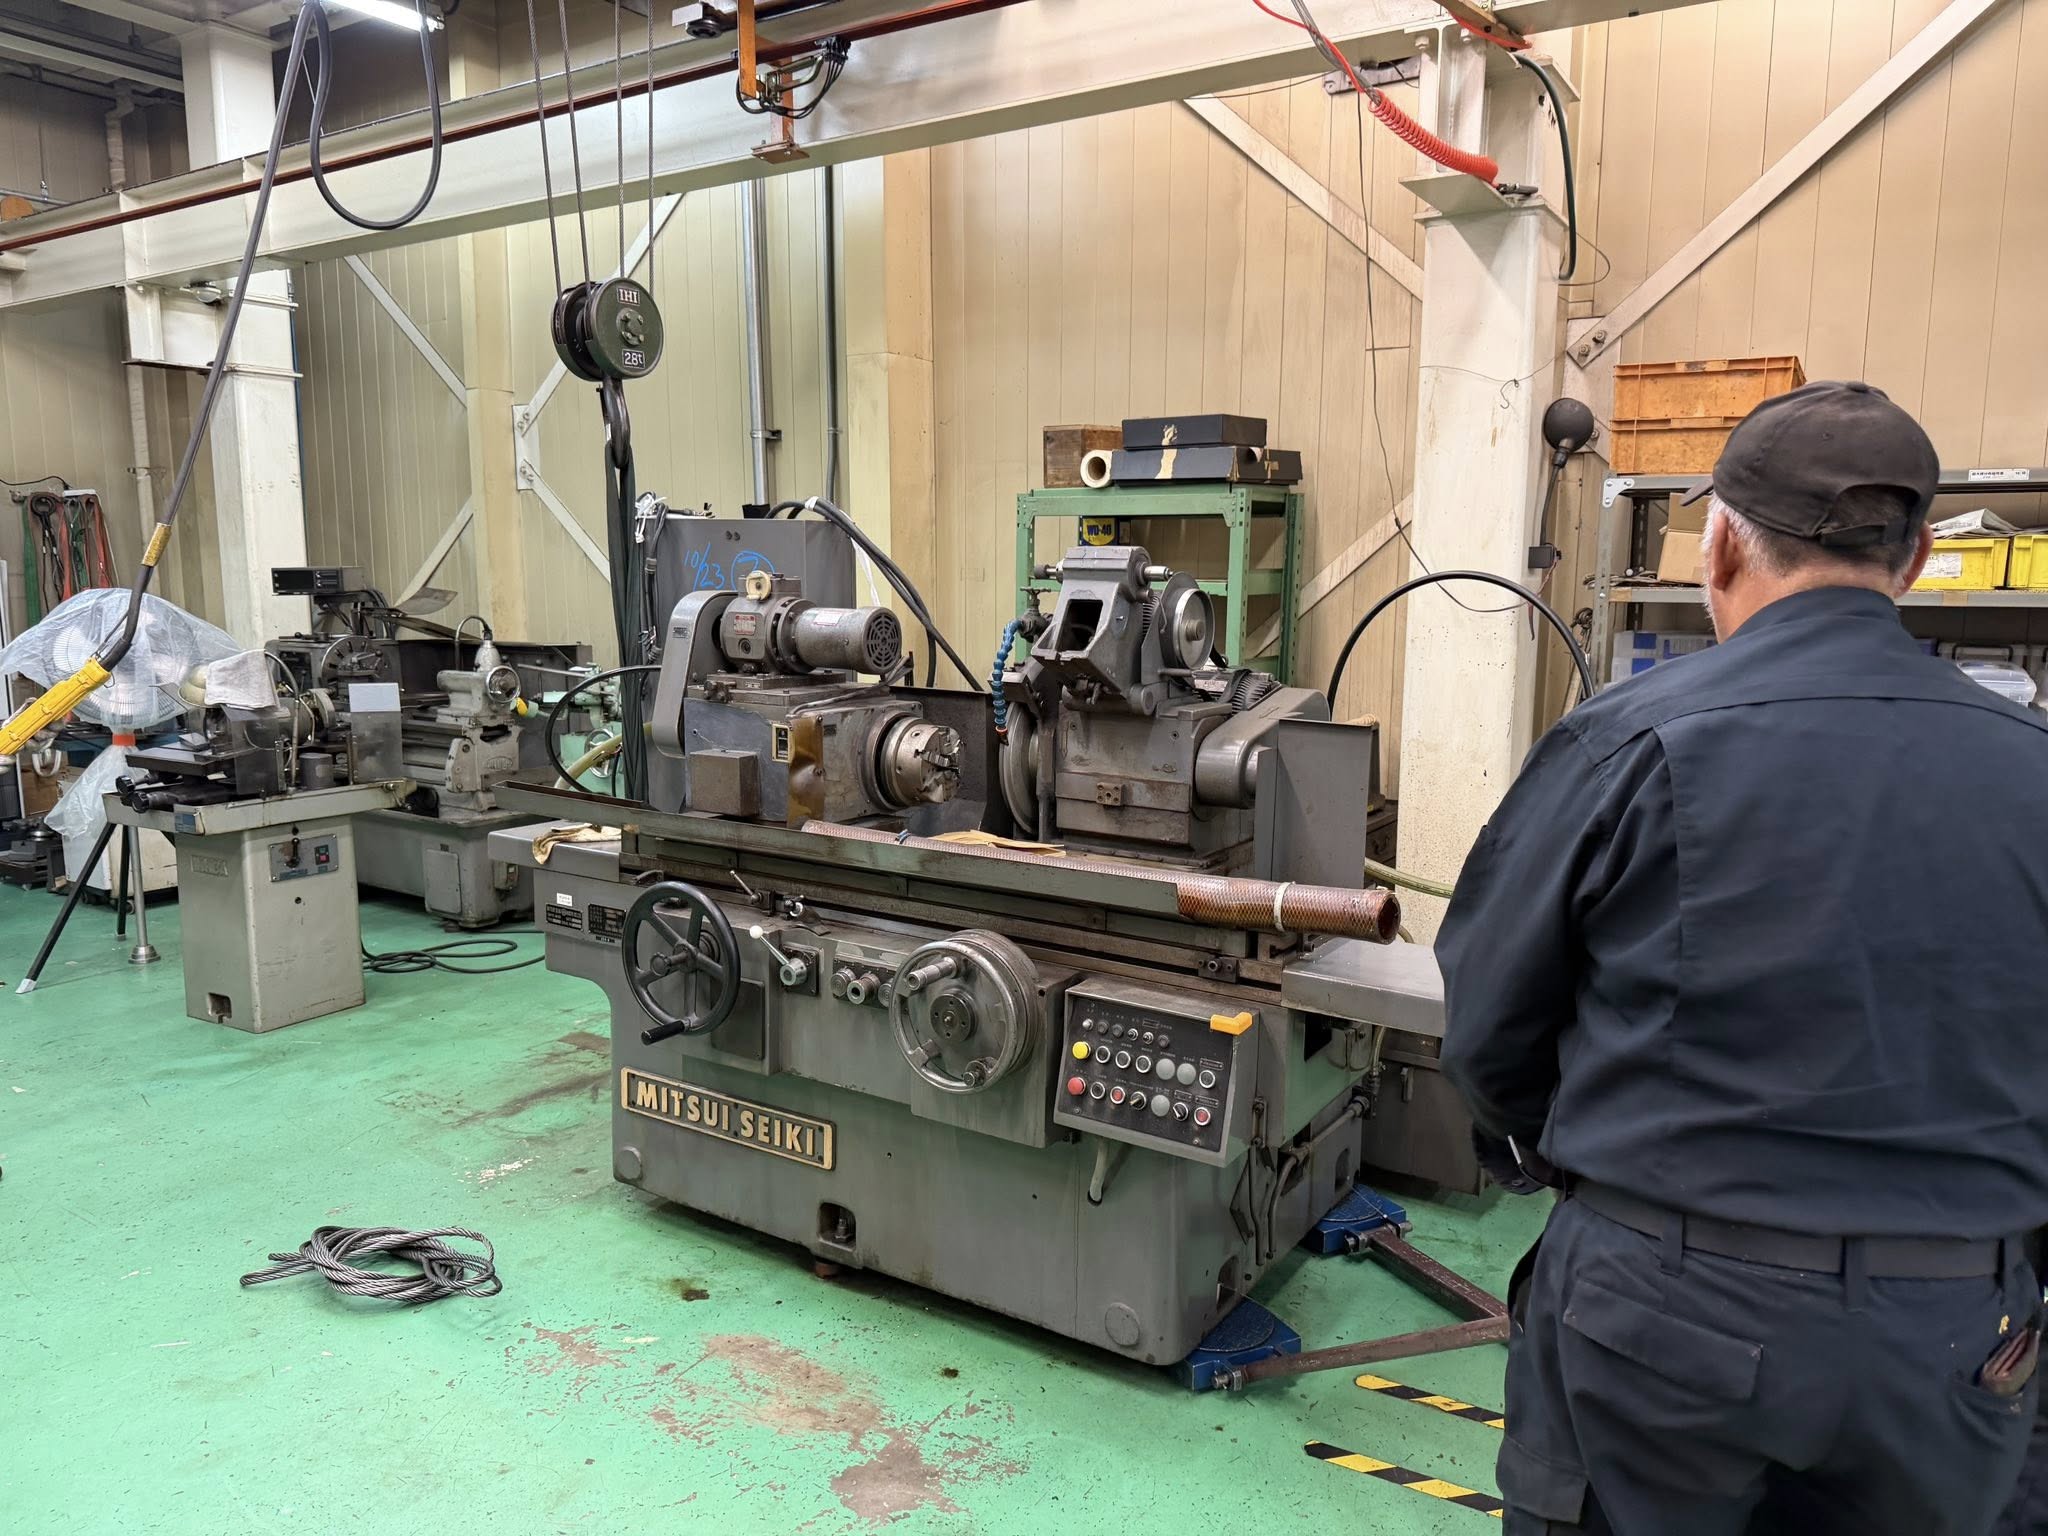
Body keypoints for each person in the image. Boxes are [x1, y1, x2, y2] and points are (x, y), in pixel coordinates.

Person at [1434, 380, 2048, 1535]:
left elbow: (1487, 1022)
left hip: (1662, 1320)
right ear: (1914, 559)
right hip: (1954, 1337)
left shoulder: (1626, 741)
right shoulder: (2032, 763)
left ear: (1716, 545)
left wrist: (1544, 1157)